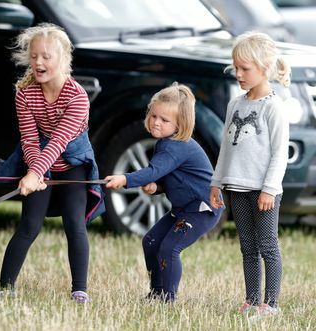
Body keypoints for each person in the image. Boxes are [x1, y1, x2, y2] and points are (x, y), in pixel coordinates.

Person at [0, 23, 104, 304]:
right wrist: (34, 172)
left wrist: (34, 173)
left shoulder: (77, 97)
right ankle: (5, 288)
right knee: (29, 225)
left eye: (46, 56)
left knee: (75, 225)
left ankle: (80, 290)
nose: (38, 62)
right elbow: (30, 139)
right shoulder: (25, 94)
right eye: (33, 56)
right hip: (40, 162)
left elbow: (58, 142)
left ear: (64, 59)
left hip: (73, 163)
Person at [105, 83, 224, 303]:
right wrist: (157, 186)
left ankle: (167, 299)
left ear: (180, 124)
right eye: (153, 115)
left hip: (202, 210)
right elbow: (169, 177)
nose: (156, 122)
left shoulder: (176, 146)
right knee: (151, 241)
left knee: (169, 248)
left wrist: (125, 179)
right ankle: (157, 292)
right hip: (182, 209)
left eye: (164, 120)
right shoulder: (165, 144)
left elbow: (153, 171)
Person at [210, 31, 290, 317]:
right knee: (248, 247)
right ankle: (252, 299)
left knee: (268, 245)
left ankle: (271, 304)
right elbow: (226, 148)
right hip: (237, 188)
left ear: (265, 69)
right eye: (236, 68)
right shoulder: (235, 104)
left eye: (245, 69)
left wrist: (269, 188)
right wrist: (217, 183)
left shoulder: (273, 107)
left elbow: (280, 152)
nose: (239, 74)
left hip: (263, 191)